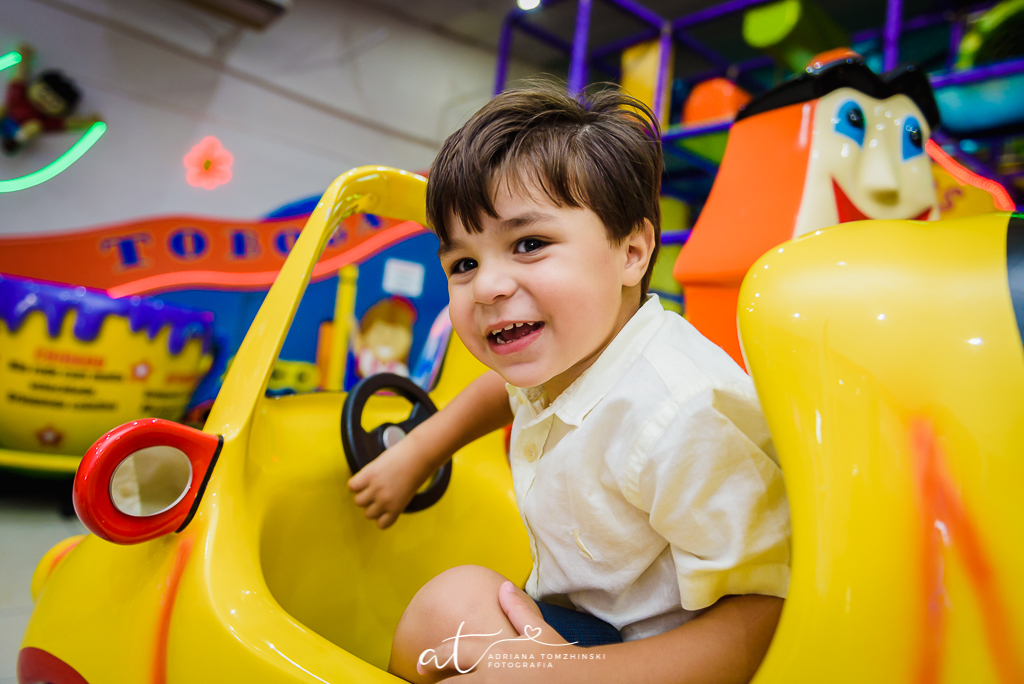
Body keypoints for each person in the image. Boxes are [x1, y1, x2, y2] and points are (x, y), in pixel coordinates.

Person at [347, 83, 791, 684]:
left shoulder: (682, 412)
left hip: (679, 659)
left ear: (632, 251)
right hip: (599, 625)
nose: (486, 287)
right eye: (464, 263)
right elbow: (498, 393)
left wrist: (568, 675)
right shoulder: (574, 354)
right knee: (447, 608)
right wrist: (419, 452)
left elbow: (768, 618)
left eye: (529, 244)